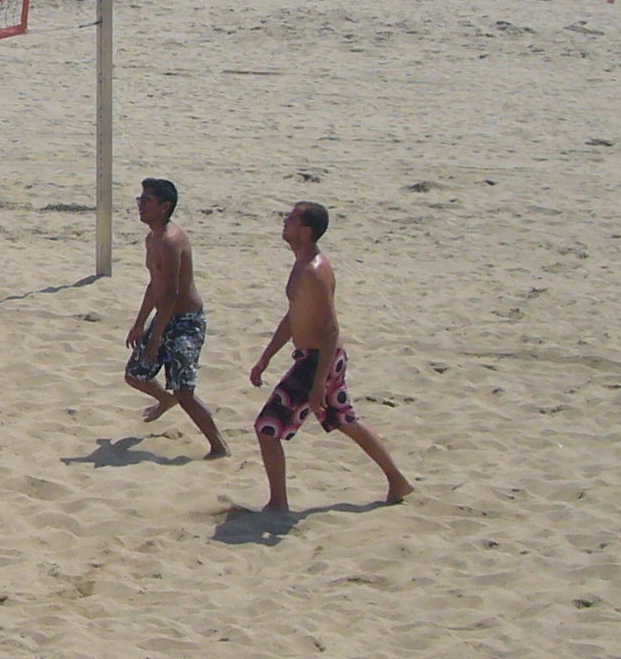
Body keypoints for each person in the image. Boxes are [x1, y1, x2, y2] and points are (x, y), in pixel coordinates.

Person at [248, 202, 411, 513]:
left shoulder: (314, 271)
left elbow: (330, 328)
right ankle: (397, 480)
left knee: (267, 427)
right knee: (345, 419)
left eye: (292, 219)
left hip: (318, 360)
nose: (285, 221)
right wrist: (266, 357)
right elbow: (293, 315)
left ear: (306, 231)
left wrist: (319, 382)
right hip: (315, 358)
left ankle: (278, 503)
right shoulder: (300, 265)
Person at [123, 178, 229, 459]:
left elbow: (171, 294)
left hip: (186, 322)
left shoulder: (171, 241)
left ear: (164, 206)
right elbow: (153, 286)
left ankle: (219, 446)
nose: (140, 205)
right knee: (135, 375)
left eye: (147, 200)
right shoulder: (152, 239)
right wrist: (138, 324)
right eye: (140, 199)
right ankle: (164, 399)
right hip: (163, 316)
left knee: (184, 390)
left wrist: (155, 338)